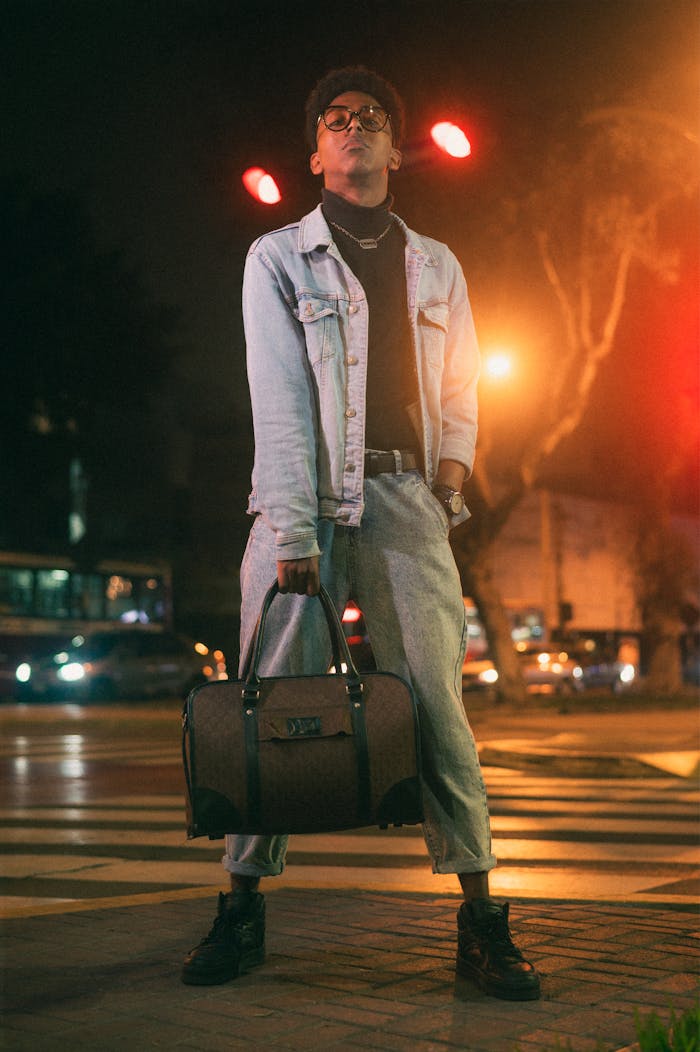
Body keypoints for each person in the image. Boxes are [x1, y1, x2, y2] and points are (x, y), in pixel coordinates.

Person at [181, 66, 540, 1001]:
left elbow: (461, 381)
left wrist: (450, 470)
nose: (353, 130)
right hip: (301, 510)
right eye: (335, 120)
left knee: (436, 707)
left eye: (370, 119)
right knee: (273, 703)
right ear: (316, 153)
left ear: (392, 149)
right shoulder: (278, 258)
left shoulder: (437, 263)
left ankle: (480, 918)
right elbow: (282, 399)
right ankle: (243, 906)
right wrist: (296, 528)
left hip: (404, 501)